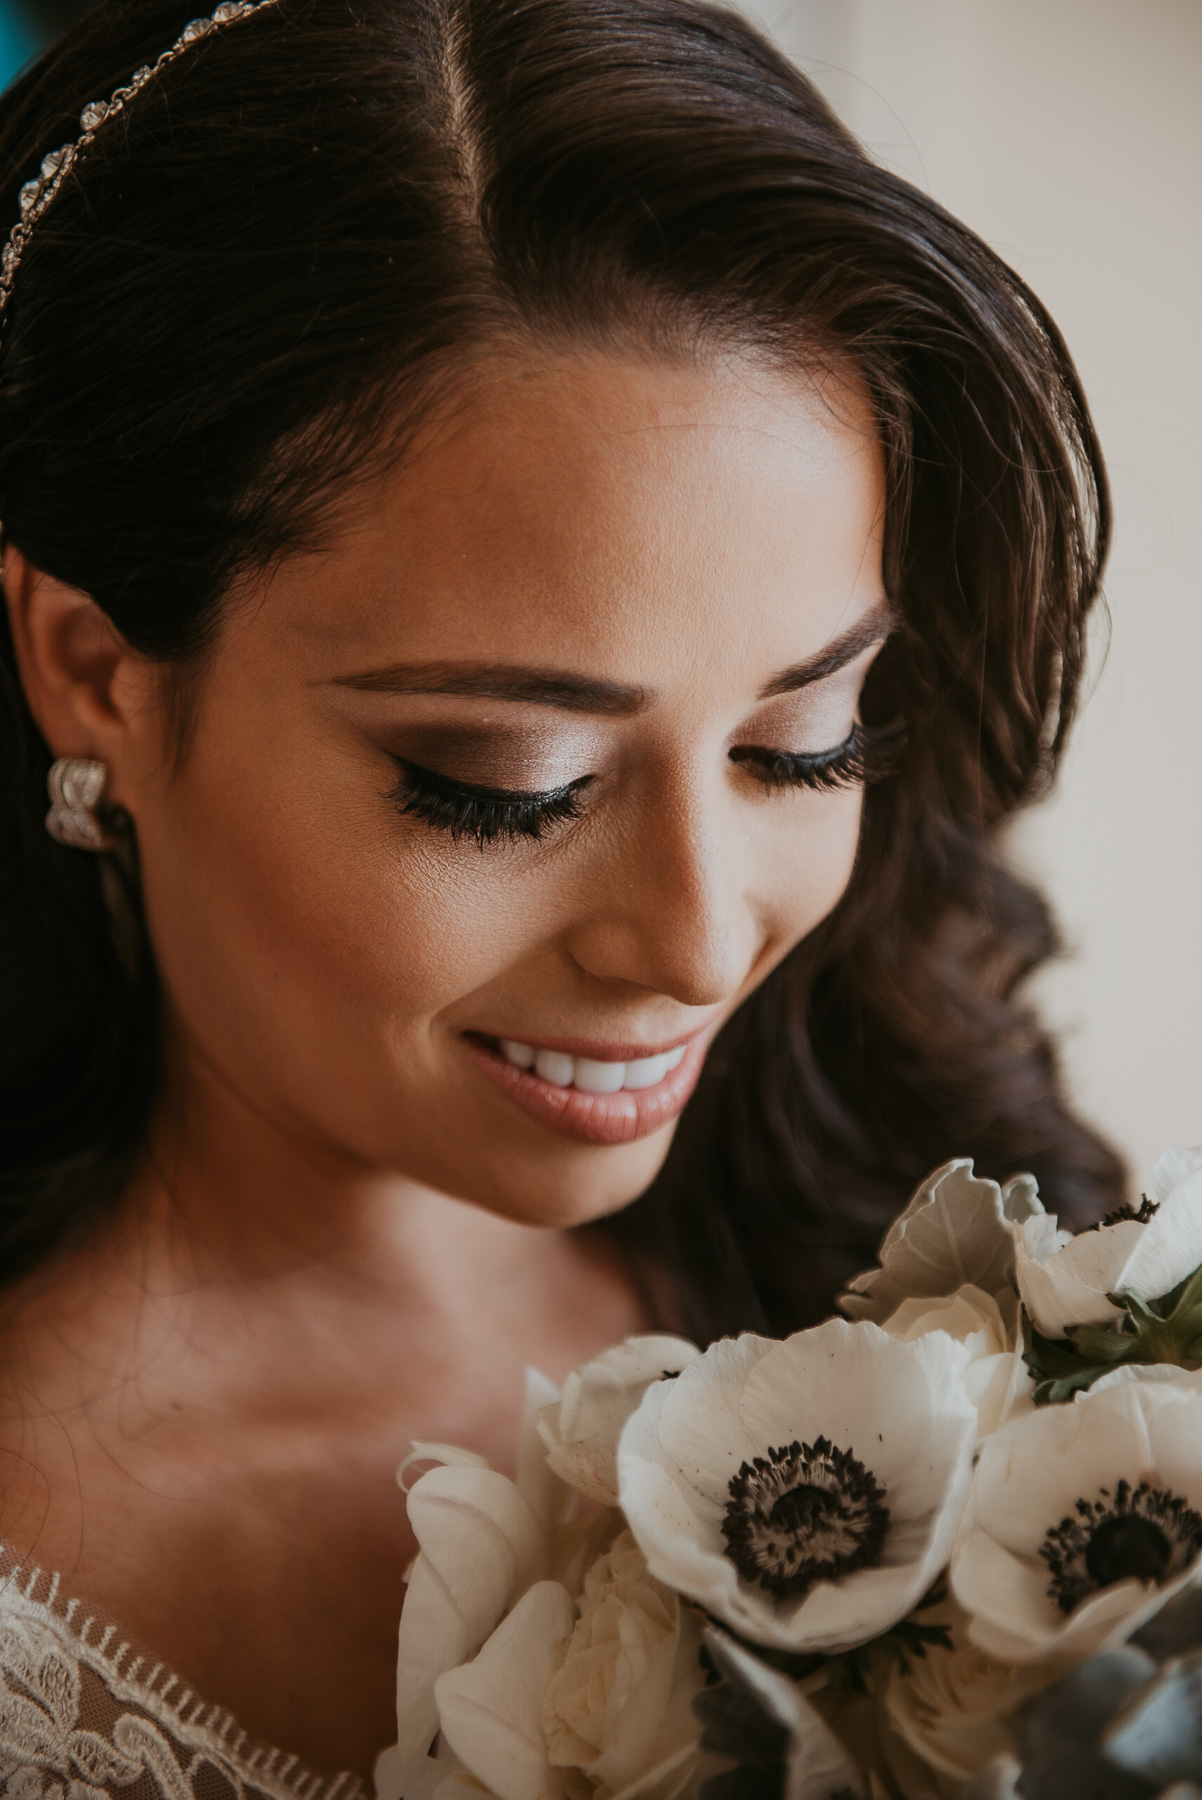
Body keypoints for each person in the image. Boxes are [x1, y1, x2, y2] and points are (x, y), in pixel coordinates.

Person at [0, 0, 1124, 1787]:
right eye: (505, 786)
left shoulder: (973, 1290)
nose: (692, 940)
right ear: (93, 671)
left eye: (802, 742)